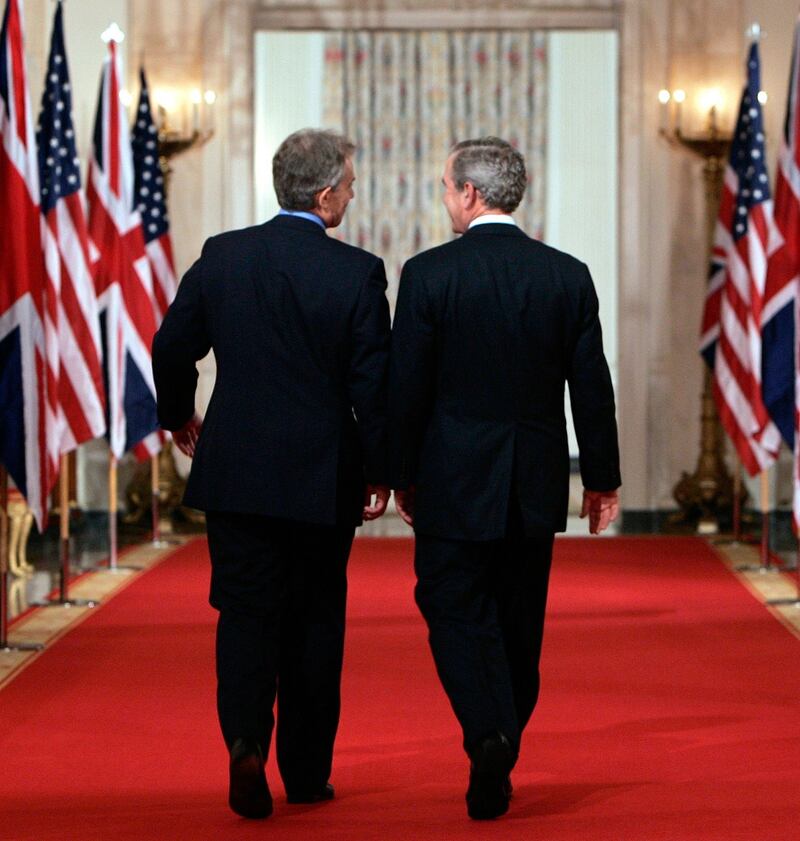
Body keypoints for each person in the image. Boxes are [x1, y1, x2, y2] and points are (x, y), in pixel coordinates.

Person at [152, 129, 391, 820]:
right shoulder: (356, 272)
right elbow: (373, 386)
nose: (351, 193)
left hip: (238, 471)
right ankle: (308, 775)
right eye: (347, 184)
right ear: (323, 196)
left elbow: (172, 345)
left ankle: (246, 745)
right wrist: (382, 468)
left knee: (246, 612)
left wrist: (178, 415)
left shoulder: (224, 256)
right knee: (316, 621)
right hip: (323, 477)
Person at [388, 137, 620, 820]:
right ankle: (501, 737)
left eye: (445, 186)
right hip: (533, 480)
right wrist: (600, 477)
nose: (444, 197)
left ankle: (488, 733)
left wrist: (399, 473)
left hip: (451, 480)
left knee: (451, 605)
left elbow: (408, 387)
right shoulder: (566, 274)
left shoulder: (428, 274)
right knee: (519, 621)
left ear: (469, 193)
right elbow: (592, 387)